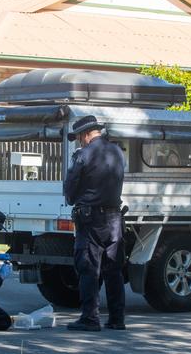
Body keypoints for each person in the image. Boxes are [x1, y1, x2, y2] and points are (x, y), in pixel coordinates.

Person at [63, 115, 126, 331]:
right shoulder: (118, 152)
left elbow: (70, 190)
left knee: (89, 267)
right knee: (114, 269)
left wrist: (74, 197)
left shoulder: (83, 155)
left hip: (90, 220)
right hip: (115, 219)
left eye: (79, 136)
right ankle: (117, 318)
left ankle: (90, 318)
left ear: (85, 134)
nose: (79, 141)